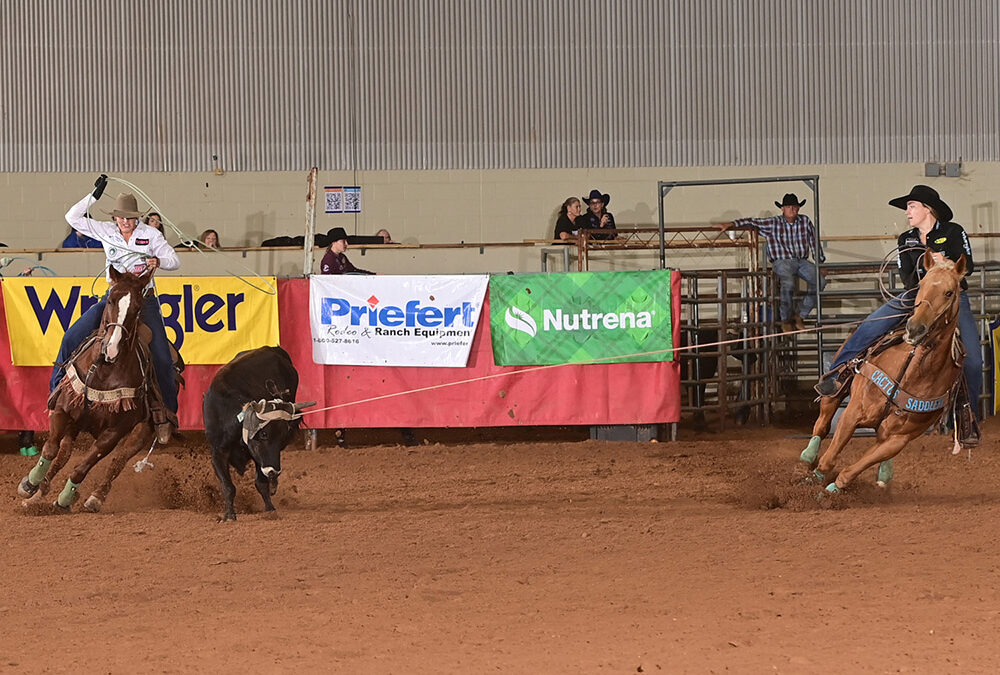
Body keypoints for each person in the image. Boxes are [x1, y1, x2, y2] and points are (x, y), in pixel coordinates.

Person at [815, 185, 981, 414]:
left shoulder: (953, 232)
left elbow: (968, 266)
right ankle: (835, 376)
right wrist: (927, 270)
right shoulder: (906, 239)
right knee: (870, 326)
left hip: (951, 298)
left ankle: (968, 414)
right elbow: (907, 278)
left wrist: (946, 260)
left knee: (973, 359)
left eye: (912, 206)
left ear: (928, 209)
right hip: (916, 296)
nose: (907, 211)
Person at [51, 176, 182, 441]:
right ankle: (55, 394)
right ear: (115, 219)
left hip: (143, 301)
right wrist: (95, 194)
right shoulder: (104, 230)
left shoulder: (150, 234)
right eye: (121, 217)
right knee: (71, 337)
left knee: (163, 358)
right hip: (113, 299)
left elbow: (174, 260)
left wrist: (159, 261)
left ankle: (166, 415)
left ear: (136, 218)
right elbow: (72, 216)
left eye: (130, 217)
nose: (125, 221)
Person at [716, 193, 826, 331]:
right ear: (783, 209)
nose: (792, 209)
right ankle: (785, 319)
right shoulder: (773, 223)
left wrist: (819, 262)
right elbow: (752, 221)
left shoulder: (805, 221)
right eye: (789, 207)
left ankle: (800, 315)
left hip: (801, 260)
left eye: (795, 207)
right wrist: (732, 224)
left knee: (820, 281)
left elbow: (813, 242)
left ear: (798, 208)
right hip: (781, 261)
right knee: (788, 283)